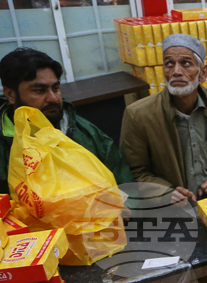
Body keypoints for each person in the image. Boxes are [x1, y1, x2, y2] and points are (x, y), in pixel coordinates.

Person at [120, 34, 207, 204]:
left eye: (185, 63)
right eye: (169, 64)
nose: (176, 71)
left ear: (203, 72)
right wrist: (164, 192)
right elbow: (135, 171)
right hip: (171, 211)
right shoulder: (138, 115)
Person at [0, 48, 133, 195]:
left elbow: (127, 188)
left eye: (56, 88)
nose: (53, 98)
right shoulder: (4, 145)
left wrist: (123, 209)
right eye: (39, 90)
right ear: (10, 94)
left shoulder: (88, 136)